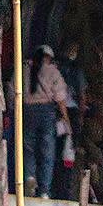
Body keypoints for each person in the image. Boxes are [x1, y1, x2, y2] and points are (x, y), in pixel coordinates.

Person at [24, 43, 71, 196]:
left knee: (28, 148)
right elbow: (60, 98)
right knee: (47, 151)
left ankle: (29, 177)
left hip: (27, 111)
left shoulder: (24, 69)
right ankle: (44, 190)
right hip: (47, 112)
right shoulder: (53, 72)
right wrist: (66, 120)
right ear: (49, 58)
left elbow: (12, 91)